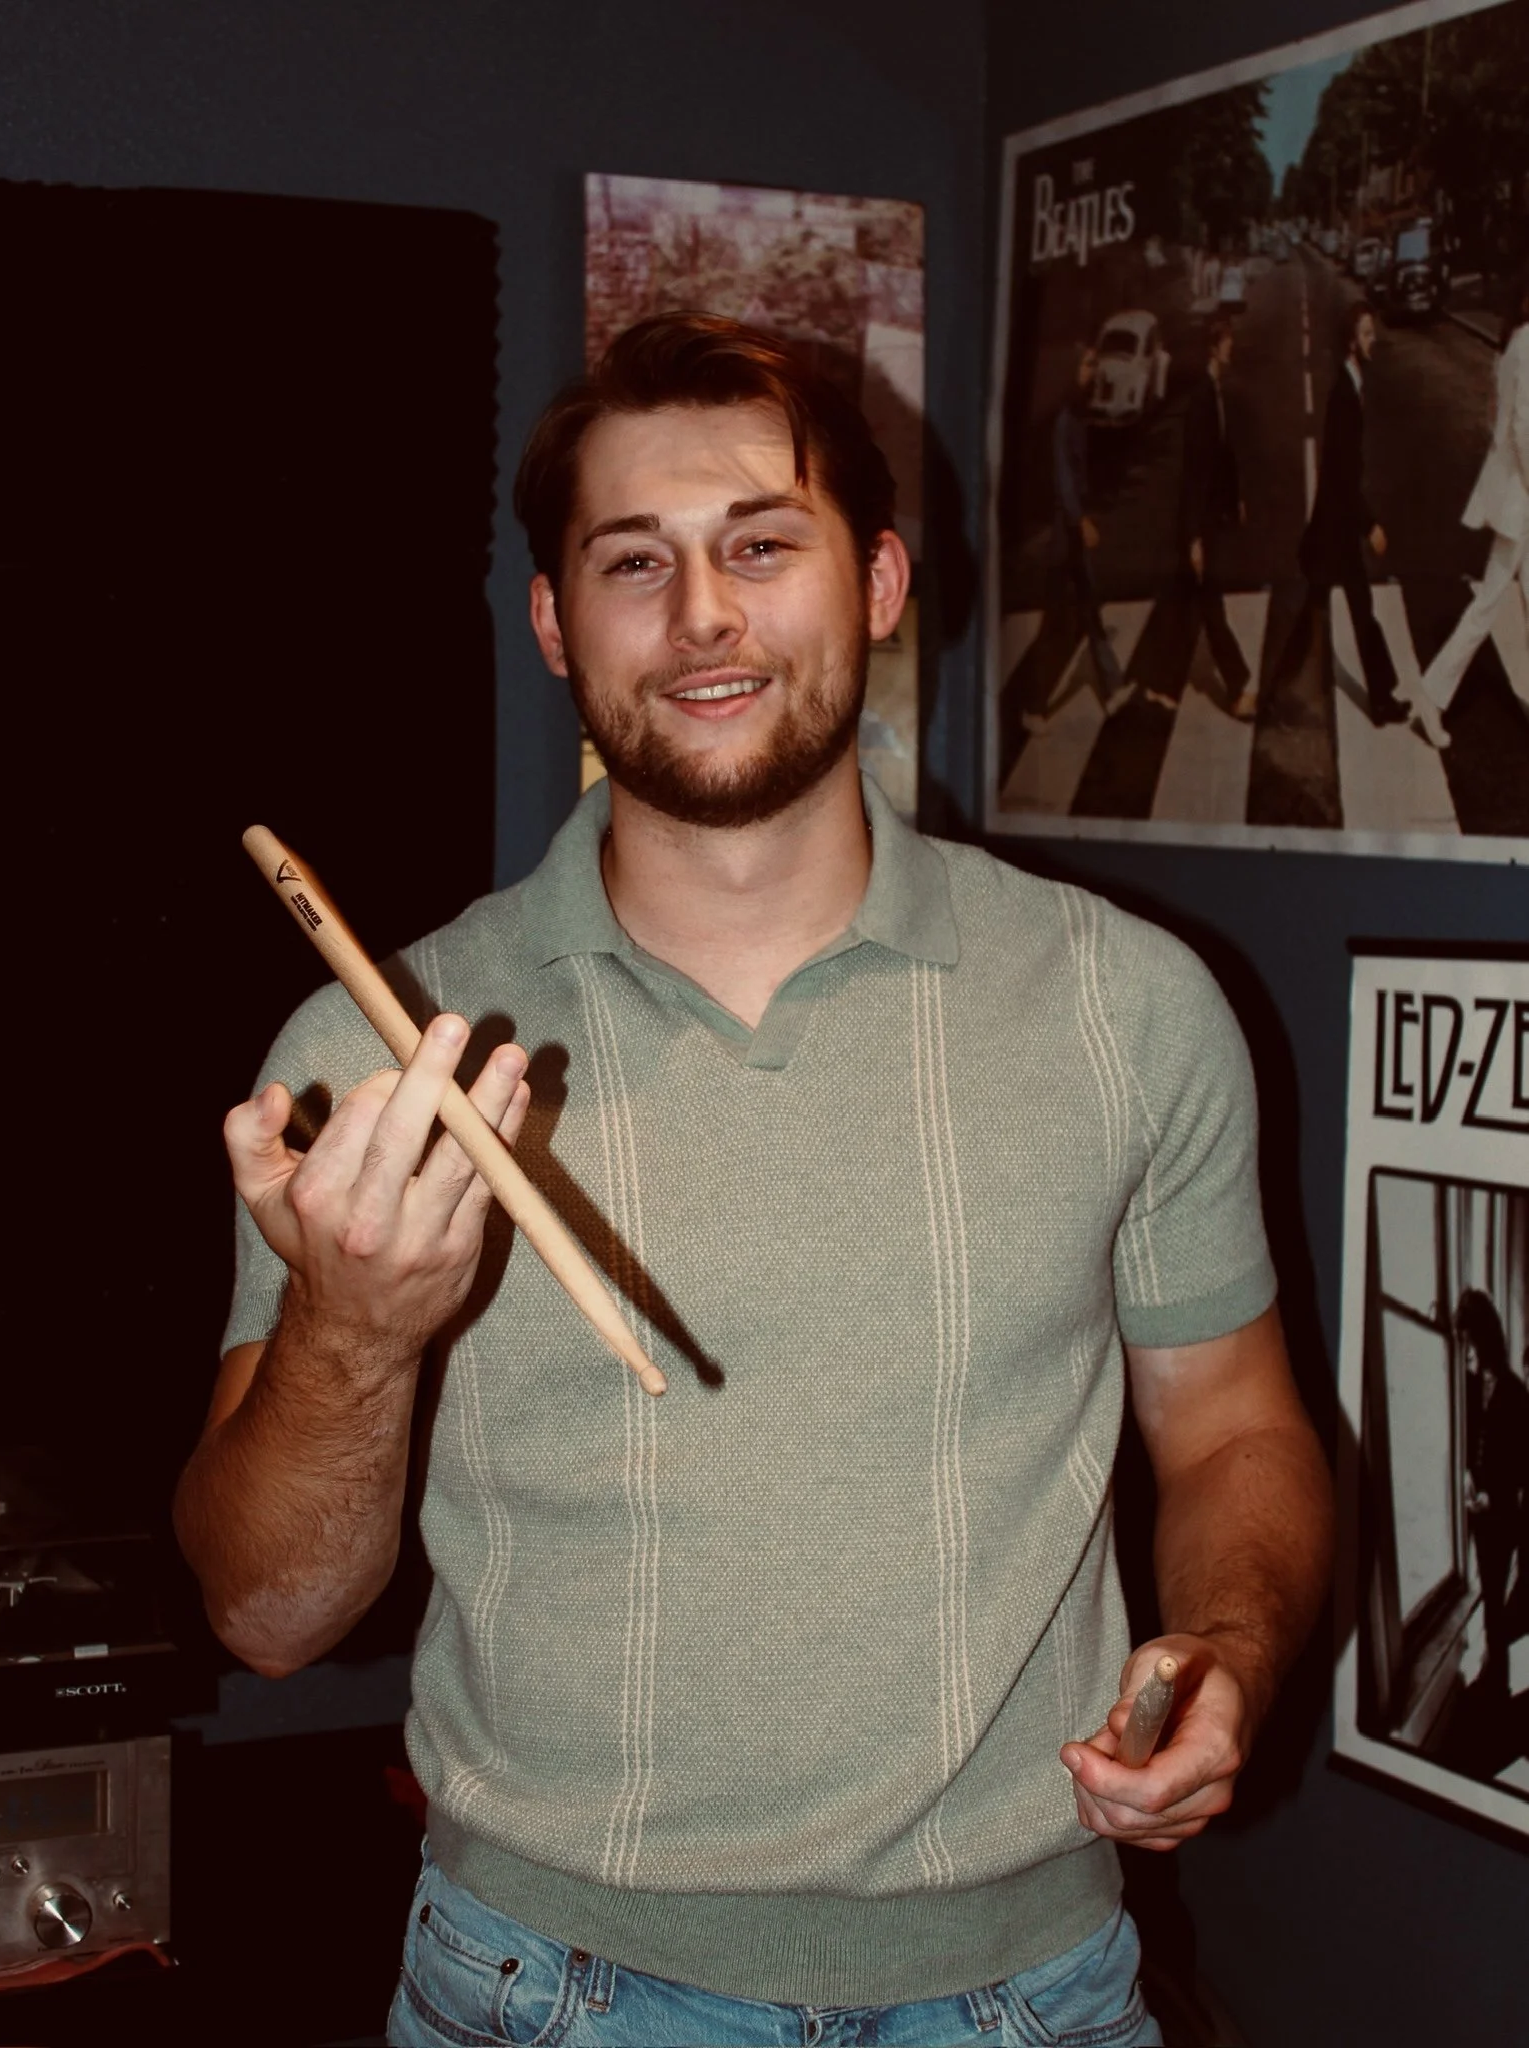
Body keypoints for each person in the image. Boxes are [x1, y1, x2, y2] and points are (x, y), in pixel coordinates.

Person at [175, 313, 1333, 2048]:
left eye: (761, 547)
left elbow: (1234, 1428)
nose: (704, 615)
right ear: (558, 624)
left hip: (1036, 1985)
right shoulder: (372, 1048)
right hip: (544, 1988)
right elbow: (265, 1617)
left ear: (873, 583)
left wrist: (1228, 1644)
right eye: (633, 562)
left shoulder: (1130, 1003)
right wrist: (355, 1337)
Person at [1398, 272, 1529, 749]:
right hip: (1524, 502)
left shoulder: (1512, 343)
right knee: (1489, 604)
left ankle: (1431, 696)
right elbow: (1521, 431)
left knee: (1499, 602)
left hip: (1519, 501)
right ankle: (1431, 697)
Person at [1299, 299, 1404, 725]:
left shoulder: (1352, 383)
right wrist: (1370, 523)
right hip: (1337, 527)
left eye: (1371, 331)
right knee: (1348, 609)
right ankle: (1380, 699)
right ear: (1350, 342)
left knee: (1335, 609)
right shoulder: (1344, 393)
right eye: (1365, 333)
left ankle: (1381, 698)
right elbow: (1340, 471)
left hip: (1335, 525)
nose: (1372, 337)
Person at [1025, 341, 1137, 734]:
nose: (1095, 371)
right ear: (1073, 370)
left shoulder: (1077, 413)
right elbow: (1063, 479)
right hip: (1063, 538)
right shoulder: (1063, 419)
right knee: (1056, 622)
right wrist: (1081, 520)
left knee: (1090, 612)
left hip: (1070, 534)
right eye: (1089, 364)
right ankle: (1034, 706)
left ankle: (1113, 687)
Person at [1152, 313, 1255, 720]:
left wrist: (1235, 499)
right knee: (1210, 603)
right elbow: (1195, 472)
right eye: (1228, 340)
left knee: (1187, 604)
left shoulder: (1214, 392)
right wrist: (1193, 537)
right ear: (1215, 347)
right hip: (1198, 522)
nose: (1233, 346)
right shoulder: (1200, 402)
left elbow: (1223, 456)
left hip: (1210, 515)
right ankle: (1238, 684)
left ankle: (1164, 687)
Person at [1458, 1289, 1529, 1697]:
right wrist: (1467, 1473)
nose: (1466, 1349)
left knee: (1498, 1595)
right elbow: (1463, 1443)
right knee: (1487, 1589)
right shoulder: (1464, 1386)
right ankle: (1496, 1671)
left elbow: (1523, 1466)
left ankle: (1499, 1681)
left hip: (1502, 1515)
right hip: (1475, 1509)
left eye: (1470, 1339)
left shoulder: (1516, 1393)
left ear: (1486, 1337)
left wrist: (1494, 1499)